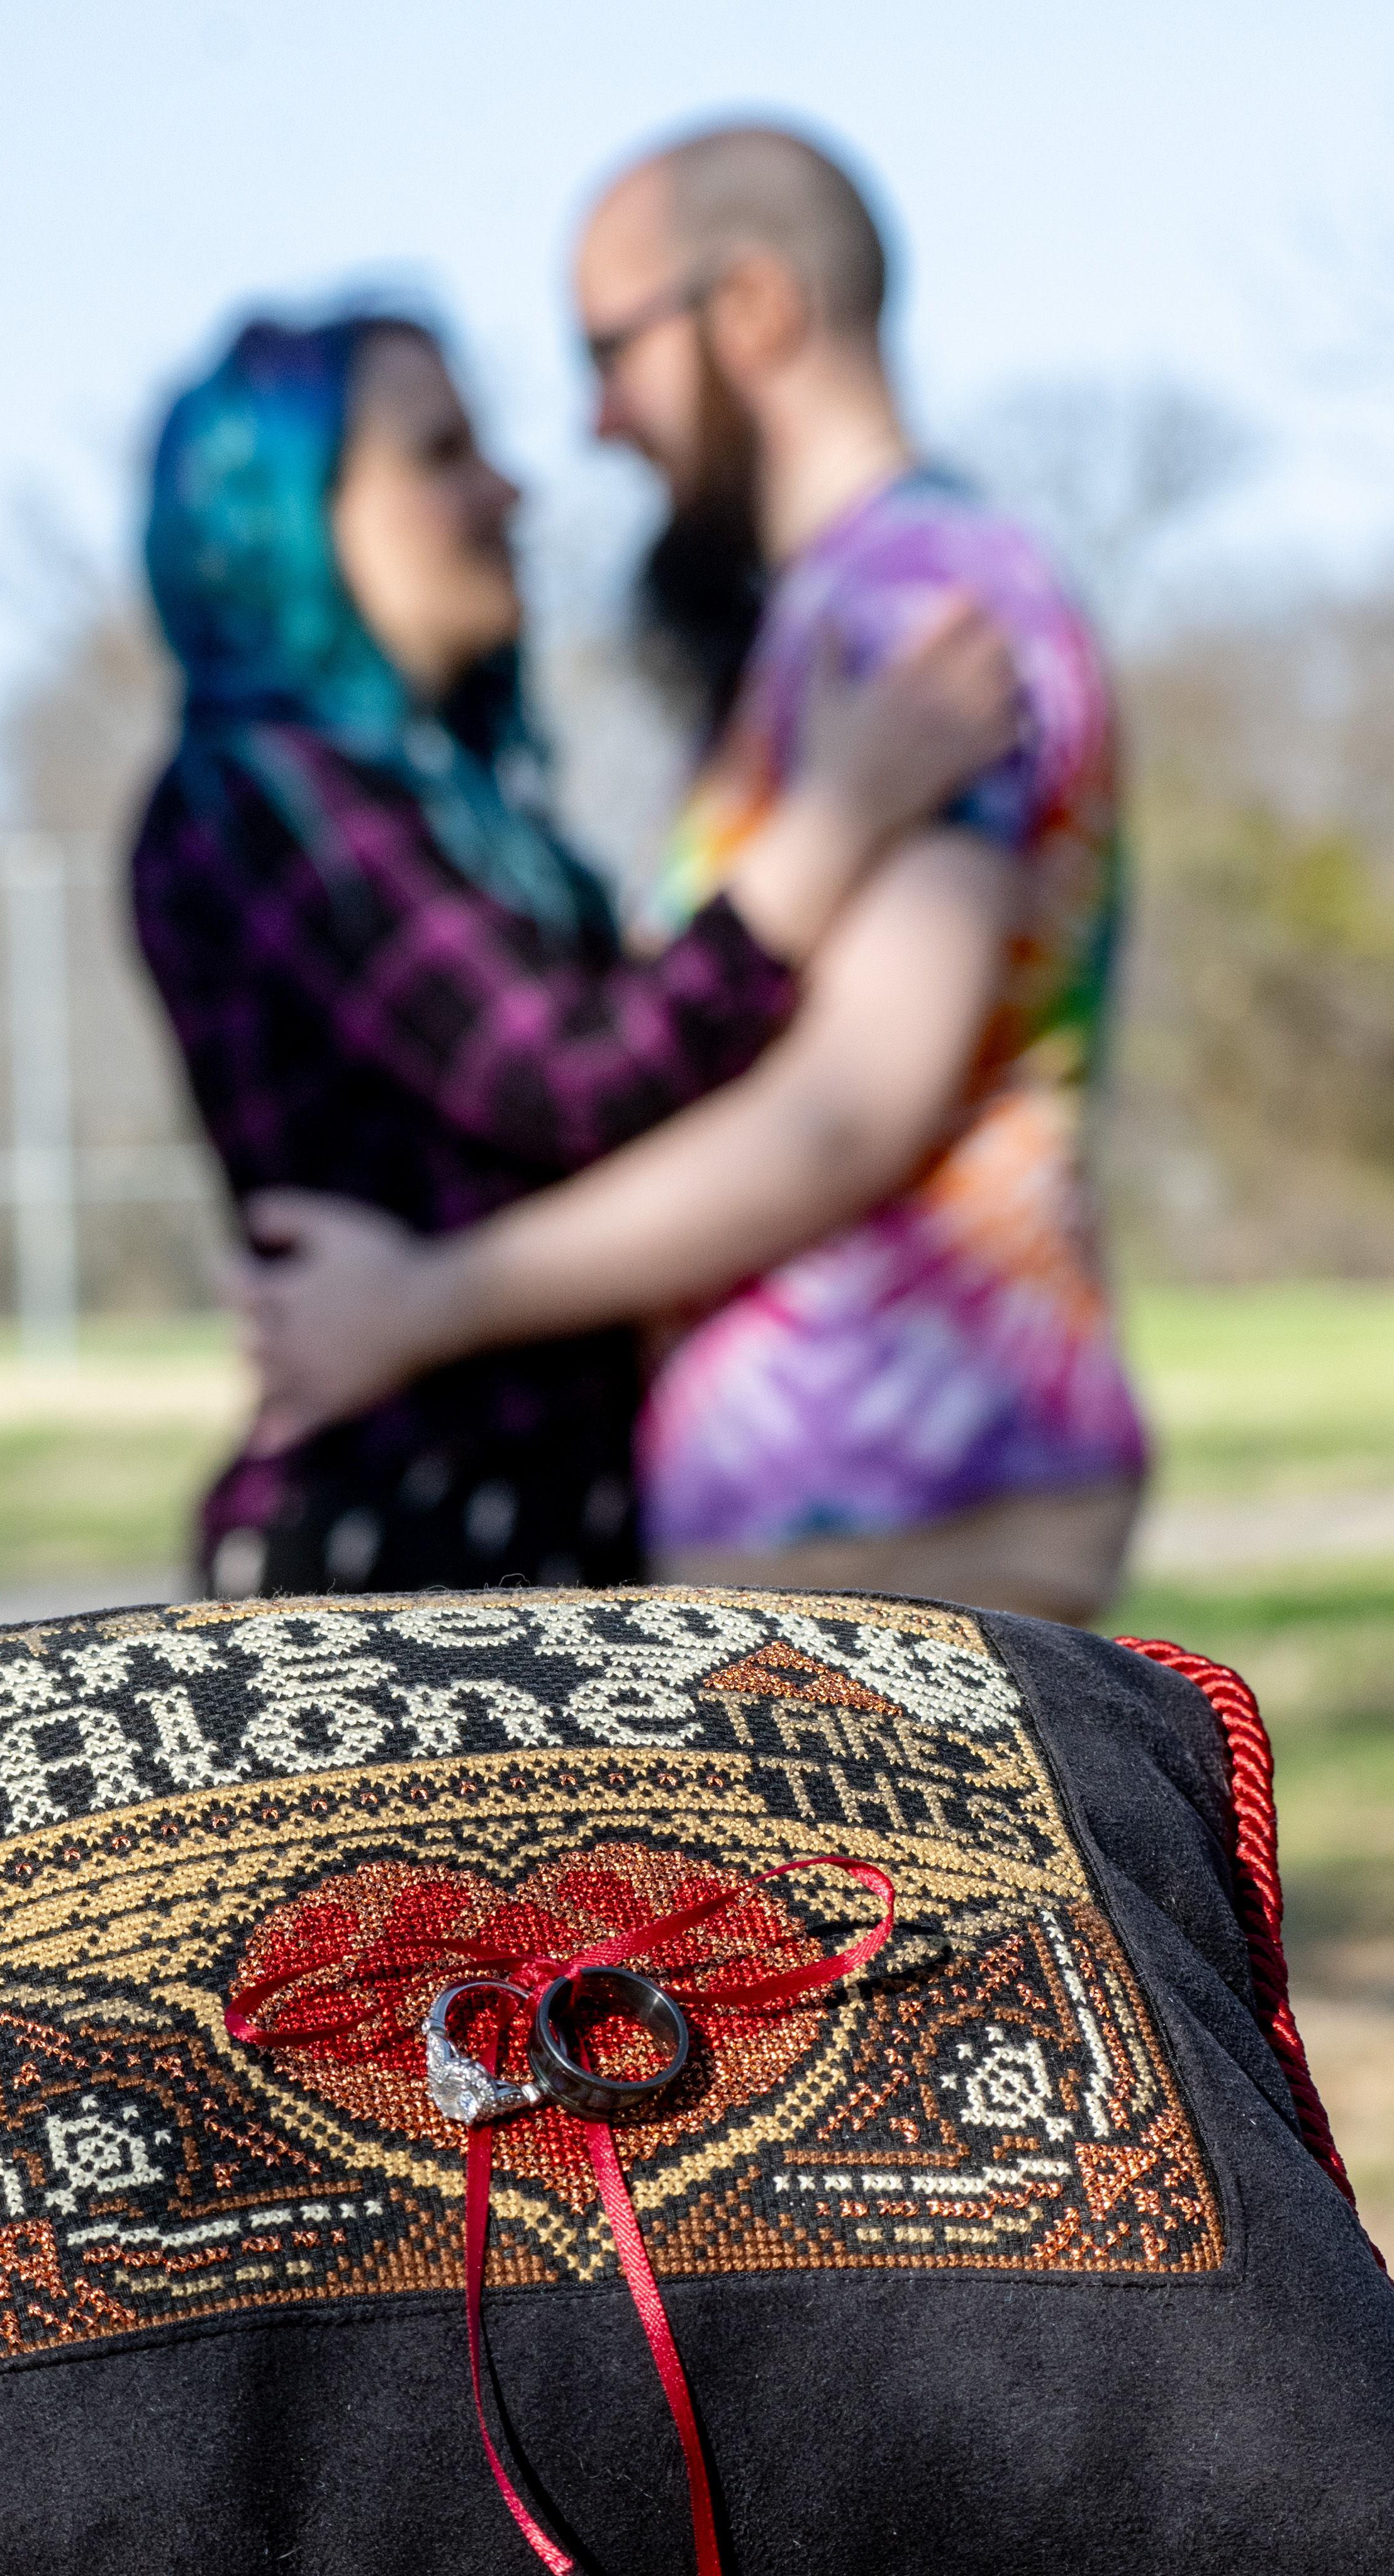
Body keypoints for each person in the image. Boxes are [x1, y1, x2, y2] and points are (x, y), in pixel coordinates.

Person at [237, 126, 1155, 1625]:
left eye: (610, 352)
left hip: (907, 1502)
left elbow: (849, 1107)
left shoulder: (917, 612)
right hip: (839, 1511)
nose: (595, 422)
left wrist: (426, 1302)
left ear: (753, 310)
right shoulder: (837, 616)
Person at [128, 305, 1016, 1600]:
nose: (510, 489)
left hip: (535, 1533)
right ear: (290, 520)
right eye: (441, 454)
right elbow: (571, 1072)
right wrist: (842, 815)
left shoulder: (442, 800)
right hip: (406, 1553)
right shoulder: (257, 798)